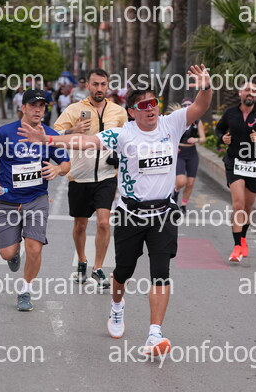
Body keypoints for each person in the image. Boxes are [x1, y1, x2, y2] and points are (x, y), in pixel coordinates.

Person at [18, 64, 212, 356]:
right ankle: (117, 306)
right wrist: (48, 139)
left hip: (163, 214)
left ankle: (154, 334)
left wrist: (206, 86)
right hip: (130, 215)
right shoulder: (123, 134)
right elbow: (86, 142)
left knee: (161, 272)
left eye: (154, 103)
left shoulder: (171, 124)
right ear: (132, 111)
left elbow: (200, 106)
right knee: (123, 271)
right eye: (143, 105)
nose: (151, 109)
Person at [0, 89, 70, 311]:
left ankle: (25, 289)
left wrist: (58, 169)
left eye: (42, 106)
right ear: (23, 108)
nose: (38, 110)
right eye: (33, 105)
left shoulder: (49, 135)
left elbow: (66, 164)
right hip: (7, 200)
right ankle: (12, 251)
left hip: (36, 198)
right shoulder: (5, 133)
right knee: (7, 252)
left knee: (35, 248)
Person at [54, 69, 128, 287]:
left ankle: (98, 268)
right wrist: (73, 130)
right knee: (80, 226)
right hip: (79, 177)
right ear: (87, 85)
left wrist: (121, 162)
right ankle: (82, 261)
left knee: (104, 223)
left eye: (103, 84)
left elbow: (127, 139)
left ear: (108, 85)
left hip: (106, 176)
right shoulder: (73, 109)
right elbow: (55, 135)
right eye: (95, 84)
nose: (99, 88)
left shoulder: (118, 112)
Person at [215, 80, 256, 262]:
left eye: (254, 91)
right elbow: (219, 129)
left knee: (248, 207)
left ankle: (243, 239)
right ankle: (236, 247)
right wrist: (222, 138)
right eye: (247, 90)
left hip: (254, 164)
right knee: (238, 204)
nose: (250, 93)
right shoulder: (230, 113)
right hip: (234, 162)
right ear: (240, 93)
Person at [172, 97, 206, 213]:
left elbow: (203, 138)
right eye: (185, 105)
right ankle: (176, 191)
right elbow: (170, 135)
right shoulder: (178, 120)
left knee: (190, 183)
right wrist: (174, 146)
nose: (187, 107)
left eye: (189, 105)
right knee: (181, 181)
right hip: (180, 152)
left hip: (192, 153)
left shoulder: (197, 121)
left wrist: (196, 139)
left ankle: (183, 205)